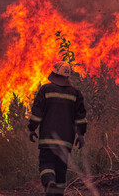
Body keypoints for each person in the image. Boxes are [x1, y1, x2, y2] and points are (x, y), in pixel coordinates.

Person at [28, 61, 87, 196]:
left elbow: (37, 114)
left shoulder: (45, 89)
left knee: (46, 164)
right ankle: (58, 192)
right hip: (66, 140)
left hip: (48, 139)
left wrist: (32, 129)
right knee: (61, 169)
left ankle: (49, 182)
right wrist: (81, 134)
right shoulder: (75, 93)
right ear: (68, 77)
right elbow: (81, 117)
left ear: (54, 74)